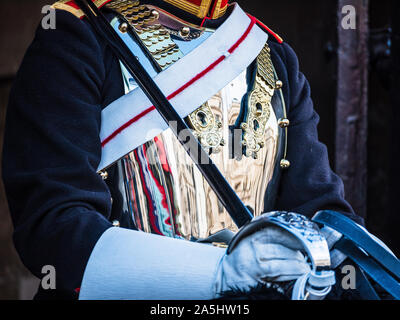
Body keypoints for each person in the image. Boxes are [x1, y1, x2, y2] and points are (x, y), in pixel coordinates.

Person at [2, 0, 364, 300]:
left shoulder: (271, 53)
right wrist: (220, 274)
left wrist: (348, 262)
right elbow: (54, 227)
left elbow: (321, 212)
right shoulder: (77, 35)